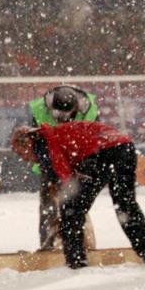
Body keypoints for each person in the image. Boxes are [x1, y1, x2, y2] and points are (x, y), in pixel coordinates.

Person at [10, 121, 145, 269]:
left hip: (100, 152)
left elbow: (67, 182)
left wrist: (63, 219)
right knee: (125, 205)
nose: (23, 158)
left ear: (27, 142)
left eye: (19, 152)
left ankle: (76, 262)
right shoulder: (51, 136)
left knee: (71, 209)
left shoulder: (43, 146)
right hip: (124, 145)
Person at [28, 85, 98, 250]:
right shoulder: (39, 110)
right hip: (50, 160)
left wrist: (80, 168)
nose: (60, 119)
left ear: (75, 109)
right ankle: (48, 244)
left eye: (65, 115)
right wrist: (51, 170)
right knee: (48, 205)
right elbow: (38, 145)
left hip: (76, 162)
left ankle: (81, 244)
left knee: (77, 205)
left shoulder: (90, 112)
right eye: (57, 114)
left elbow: (92, 143)